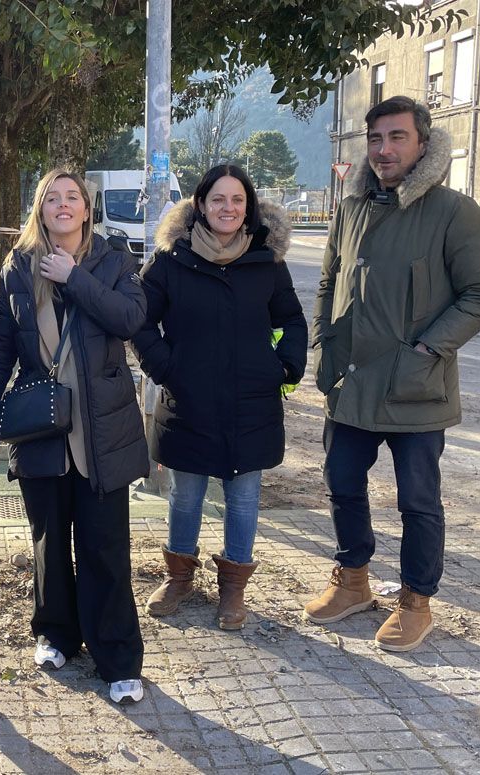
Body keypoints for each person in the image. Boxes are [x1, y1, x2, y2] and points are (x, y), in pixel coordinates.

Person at [305, 96, 480, 651]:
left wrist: (427, 348)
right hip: (350, 382)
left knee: (418, 500)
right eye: (375, 139)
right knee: (342, 484)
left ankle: (416, 600)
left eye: (396, 137)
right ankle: (352, 582)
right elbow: (329, 284)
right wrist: (323, 345)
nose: (384, 149)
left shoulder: (453, 212)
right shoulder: (349, 208)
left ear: (422, 144)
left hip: (416, 387)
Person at [0, 169, 149, 705]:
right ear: (39, 211)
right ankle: (56, 633)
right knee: (49, 543)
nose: (63, 206)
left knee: (105, 547)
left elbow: (130, 319)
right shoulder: (17, 268)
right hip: (41, 428)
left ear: (87, 210)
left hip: (102, 431)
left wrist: (74, 277)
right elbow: (0, 347)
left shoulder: (113, 261)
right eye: (52, 199)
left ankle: (117, 657)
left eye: (73, 198)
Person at [132, 165, 306, 629]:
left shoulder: (267, 261)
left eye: (237, 201)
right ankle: (180, 579)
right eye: (218, 200)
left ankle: (233, 589)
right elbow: (141, 322)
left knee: (243, 496)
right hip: (187, 398)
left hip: (252, 400)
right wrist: (166, 368)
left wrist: (284, 367)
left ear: (248, 207)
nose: (228, 209)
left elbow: (292, 320)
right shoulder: (171, 259)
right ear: (200, 205)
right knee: (185, 496)